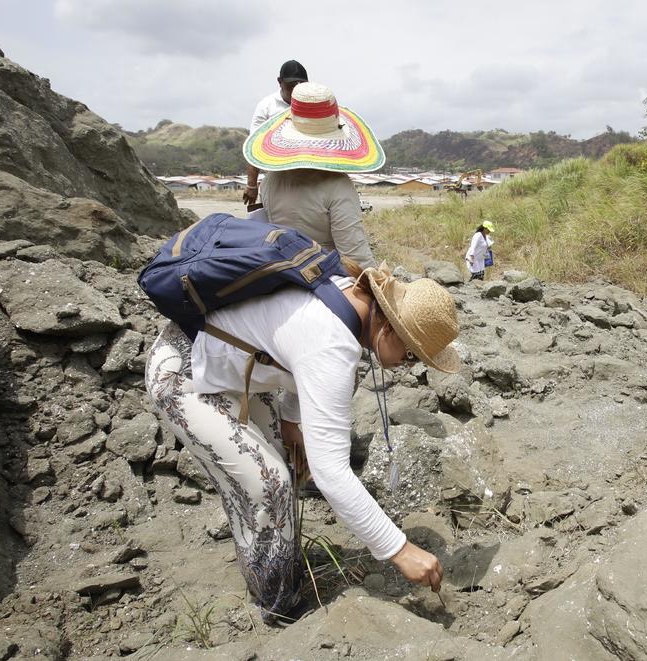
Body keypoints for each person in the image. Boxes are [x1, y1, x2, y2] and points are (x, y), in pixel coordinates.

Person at [144, 260, 459, 623]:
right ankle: (279, 608)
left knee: (282, 463)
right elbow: (333, 473)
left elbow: (295, 353)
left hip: (238, 367)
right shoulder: (334, 345)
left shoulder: (347, 295)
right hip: (184, 373)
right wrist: (399, 549)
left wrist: (293, 422)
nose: (408, 366)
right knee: (269, 484)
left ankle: (279, 558)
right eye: (410, 355)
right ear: (388, 328)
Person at [244, 81, 383, 269]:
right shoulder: (338, 186)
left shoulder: (270, 180)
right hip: (325, 281)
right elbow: (355, 258)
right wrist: (378, 286)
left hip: (281, 274)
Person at [243, 60, 309, 208]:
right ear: (280, 82)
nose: (296, 90)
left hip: (308, 175)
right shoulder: (266, 107)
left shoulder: (314, 103)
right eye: (291, 85)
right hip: (277, 176)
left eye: (301, 84)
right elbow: (254, 144)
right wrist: (252, 185)